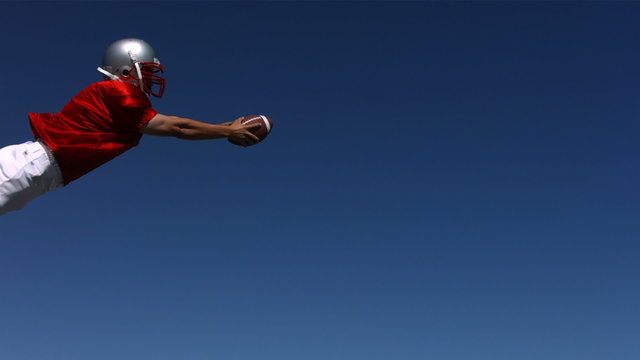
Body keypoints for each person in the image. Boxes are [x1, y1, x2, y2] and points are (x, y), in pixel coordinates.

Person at [0, 38, 261, 216]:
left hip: (38, 173)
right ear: (126, 71)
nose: (150, 79)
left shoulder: (113, 96)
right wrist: (225, 132)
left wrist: (219, 128)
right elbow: (175, 127)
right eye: (145, 71)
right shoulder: (119, 92)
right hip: (30, 167)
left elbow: (177, 126)